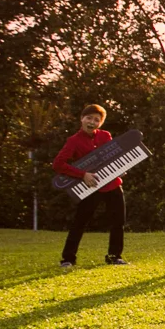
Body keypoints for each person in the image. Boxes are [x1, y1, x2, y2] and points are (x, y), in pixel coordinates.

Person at [52, 104, 128, 267]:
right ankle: (68, 259)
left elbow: (113, 156)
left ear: (100, 123)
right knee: (80, 222)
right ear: (82, 119)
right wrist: (82, 175)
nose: (92, 122)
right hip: (90, 187)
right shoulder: (73, 141)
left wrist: (120, 169)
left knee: (118, 221)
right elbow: (58, 164)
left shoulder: (105, 136)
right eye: (89, 118)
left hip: (112, 185)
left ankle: (114, 256)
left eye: (96, 120)